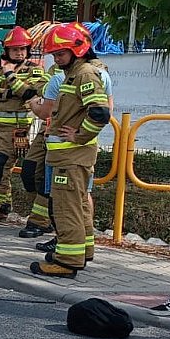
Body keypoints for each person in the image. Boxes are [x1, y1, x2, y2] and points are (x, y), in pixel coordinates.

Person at [29, 23, 108, 278]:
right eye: (54, 54)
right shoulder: (73, 75)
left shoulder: (84, 74)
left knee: (66, 208)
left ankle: (67, 261)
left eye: (60, 54)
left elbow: (100, 112)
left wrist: (80, 135)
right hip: (70, 156)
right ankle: (82, 251)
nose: (56, 58)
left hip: (71, 157)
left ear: (78, 50)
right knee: (79, 204)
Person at [0, 26, 48, 228]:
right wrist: (7, 93)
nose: (19, 52)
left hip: (17, 132)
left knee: (0, 167)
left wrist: (10, 77)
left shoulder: (35, 71)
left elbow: (29, 93)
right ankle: (3, 209)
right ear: (7, 51)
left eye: (23, 49)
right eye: (15, 49)